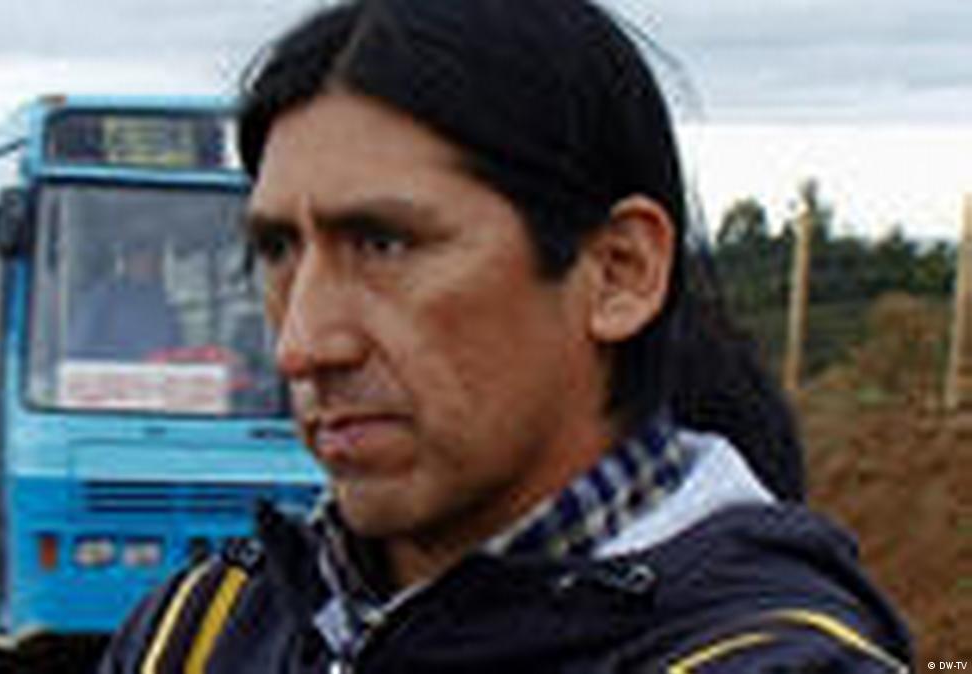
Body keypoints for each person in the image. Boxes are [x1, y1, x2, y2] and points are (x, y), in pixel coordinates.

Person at [99, 1, 912, 671]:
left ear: (619, 272)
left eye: (384, 244)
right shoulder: (198, 633)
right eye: (277, 251)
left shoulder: (772, 659)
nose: (301, 346)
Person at [66, 239, 182, 361]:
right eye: (140, 252)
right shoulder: (101, 298)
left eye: (157, 256)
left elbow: (177, 353)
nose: (149, 262)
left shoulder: (163, 304)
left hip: (158, 372)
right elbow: (76, 351)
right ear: (126, 259)